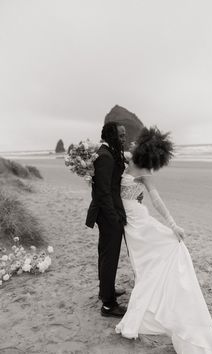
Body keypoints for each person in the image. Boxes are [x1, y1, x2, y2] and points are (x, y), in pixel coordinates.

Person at [115, 127, 212, 354]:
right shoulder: (124, 160)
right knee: (144, 264)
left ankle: (155, 302)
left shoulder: (143, 172)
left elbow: (156, 199)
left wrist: (173, 225)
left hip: (139, 221)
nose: (133, 145)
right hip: (131, 224)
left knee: (168, 249)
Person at [86, 121, 127, 318]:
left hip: (109, 213)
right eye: (120, 135)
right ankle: (109, 305)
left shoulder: (107, 153)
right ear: (111, 135)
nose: (124, 139)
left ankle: (106, 290)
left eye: (124, 135)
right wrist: (114, 218)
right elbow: (103, 192)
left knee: (106, 255)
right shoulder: (105, 156)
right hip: (108, 215)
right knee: (109, 258)